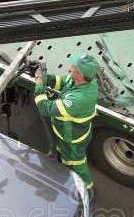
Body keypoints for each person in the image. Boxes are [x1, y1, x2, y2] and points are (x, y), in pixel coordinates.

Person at [34, 53, 99, 193]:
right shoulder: (86, 81)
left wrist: (39, 82)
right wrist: (46, 77)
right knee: (63, 157)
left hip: (73, 140)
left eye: (74, 67)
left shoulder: (78, 100)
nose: (71, 67)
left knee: (77, 164)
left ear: (80, 75)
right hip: (67, 134)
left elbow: (44, 107)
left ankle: (87, 192)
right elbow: (63, 82)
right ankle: (63, 174)